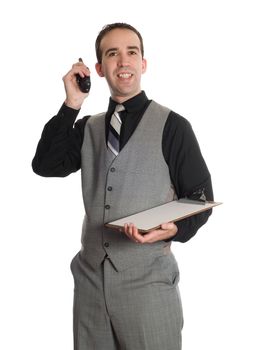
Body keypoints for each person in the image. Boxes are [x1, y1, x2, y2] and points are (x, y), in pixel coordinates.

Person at [32, 22, 213, 350]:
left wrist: (172, 229)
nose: (123, 61)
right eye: (112, 54)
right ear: (99, 69)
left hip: (148, 287)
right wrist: (72, 103)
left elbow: (200, 197)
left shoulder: (173, 126)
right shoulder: (89, 127)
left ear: (143, 64)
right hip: (89, 285)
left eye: (132, 52)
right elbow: (45, 165)